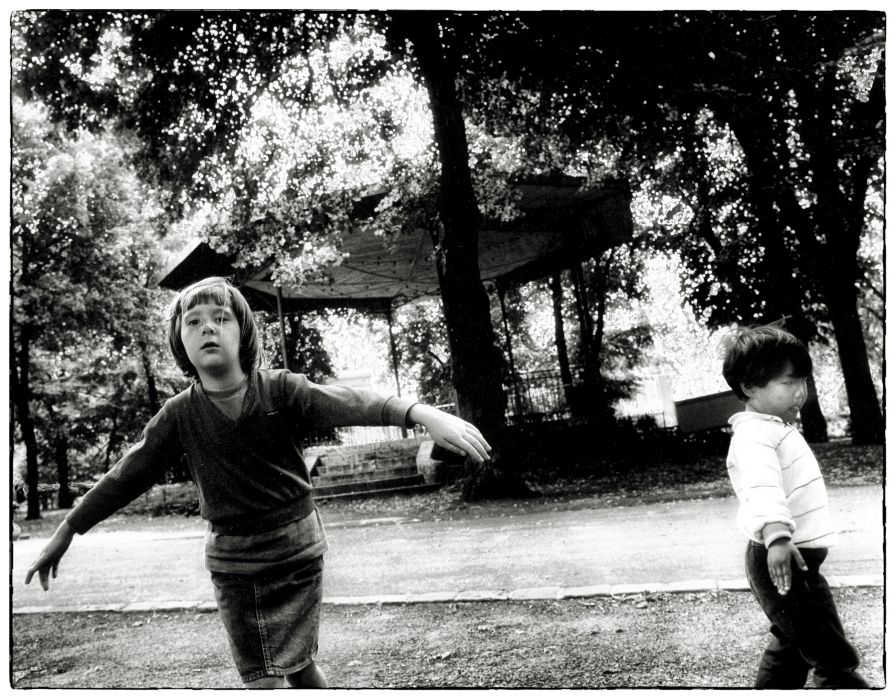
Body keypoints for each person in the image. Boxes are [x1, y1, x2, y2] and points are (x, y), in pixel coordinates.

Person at [25, 276, 491, 688]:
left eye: (221, 317)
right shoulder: (178, 415)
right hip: (232, 564)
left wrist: (419, 412)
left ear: (243, 334)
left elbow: (351, 401)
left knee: (299, 666)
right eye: (193, 321)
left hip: (296, 553)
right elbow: (127, 474)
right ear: (178, 342)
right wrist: (68, 529)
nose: (207, 327)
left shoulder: (281, 390)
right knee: (260, 680)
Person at [721, 322, 869, 689]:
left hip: (796, 557)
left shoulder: (773, 427)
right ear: (749, 386)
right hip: (782, 555)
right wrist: (776, 536)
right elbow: (762, 486)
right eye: (788, 383)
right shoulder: (754, 434)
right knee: (830, 654)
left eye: (802, 381)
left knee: (793, 643)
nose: (799, 391)